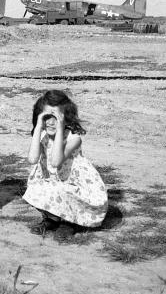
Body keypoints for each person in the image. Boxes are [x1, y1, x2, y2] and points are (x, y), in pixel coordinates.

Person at [23, 90, 108, 238]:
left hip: (74, 184)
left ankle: (69, 222)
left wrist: (61, 127)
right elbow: (32, 159)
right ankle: (52, 219)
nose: (50, 122)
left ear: (65, 118)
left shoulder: (73, 138)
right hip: (55, 181)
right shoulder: (42, 134)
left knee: (61, 190)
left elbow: (56, 161)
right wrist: (37, 127)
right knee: (35, 187)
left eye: (55, 117)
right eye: (46, 117)